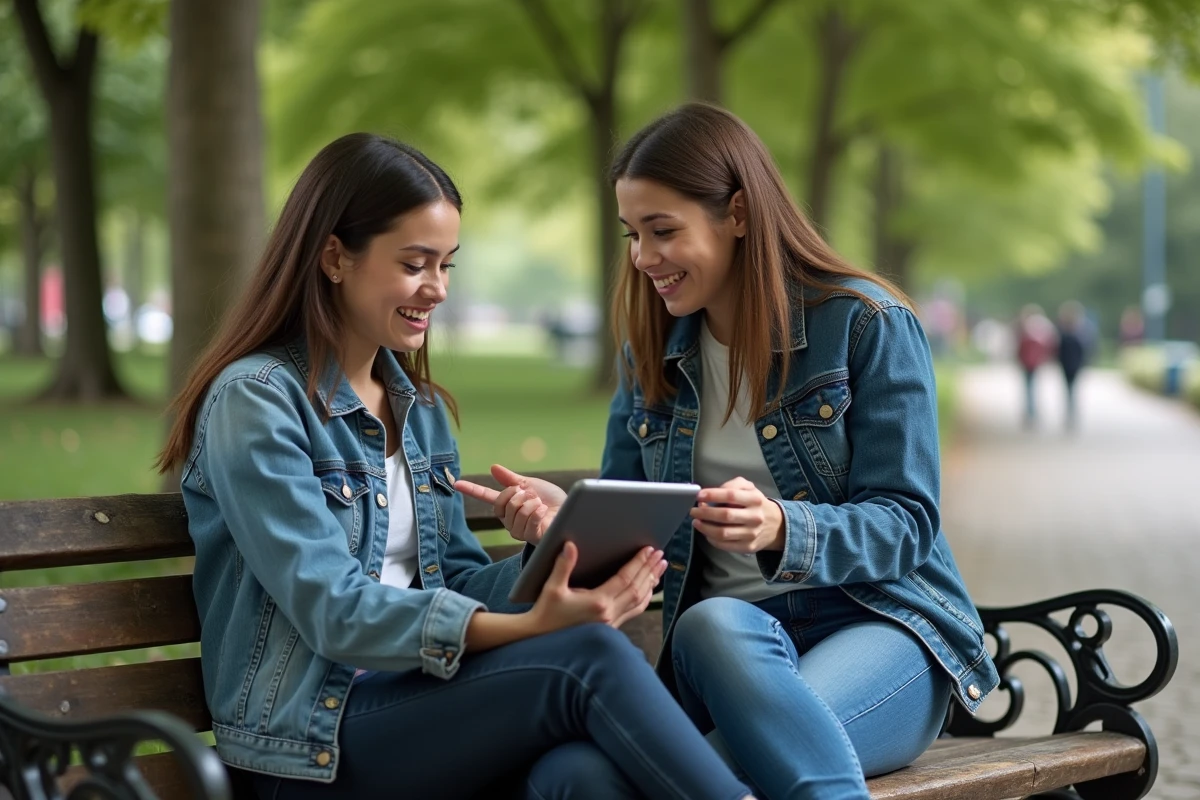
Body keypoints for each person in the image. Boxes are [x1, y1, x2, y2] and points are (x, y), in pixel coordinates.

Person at [155, 133, 753, 800]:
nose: (436, 289)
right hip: (308, 747)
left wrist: (548, 555)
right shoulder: (257, 401)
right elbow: (332, 610)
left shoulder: (418, 407)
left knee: (576, 776)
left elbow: (455, 580)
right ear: (333, 256)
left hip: (419, 711)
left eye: (447, 266)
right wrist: (532, 628)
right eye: (415, 264)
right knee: (588, 656)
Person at [458, 104, 999, 800]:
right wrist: (571, 524)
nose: (642, 257)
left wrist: (783, 527)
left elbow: (907, 522)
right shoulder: (650, 355)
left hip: (878, 628)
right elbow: (637, 535)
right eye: (632, 234)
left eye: (663, 231)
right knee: (575, 775)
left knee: (710, 668)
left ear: (737, 213)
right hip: (718, 661)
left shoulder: (865, 324)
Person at [1015, 304, 1057, 427]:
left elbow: (1021, 346)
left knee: (1028, 387)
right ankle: (1033, 411)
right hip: (1038, 362)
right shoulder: (1045, 327)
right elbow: (1050, 344)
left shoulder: (1026, 327)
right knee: (1034, 386)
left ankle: (1030, 411)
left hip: (1026, 362)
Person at [1056, 300, 1094, 430]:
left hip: (1070, 366)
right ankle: (1071, 415)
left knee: (1070, 391)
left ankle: (1070, 415)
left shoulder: (1068, 332)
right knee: (1071, 391)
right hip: (1072, 366)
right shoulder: (1079, 332)